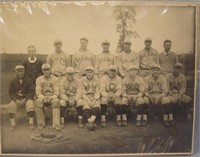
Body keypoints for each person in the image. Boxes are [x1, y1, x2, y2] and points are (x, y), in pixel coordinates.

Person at [8, 65, 35, 131]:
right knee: (11, 105)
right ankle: (12, 124)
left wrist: (25, 99)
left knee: (30, 104)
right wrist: (15, 100)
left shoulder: (28, 80)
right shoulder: (13, 81)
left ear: (24, 71)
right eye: (18, 71)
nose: (20, 73)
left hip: (27, 98)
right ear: (16, 72)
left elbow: (32, 92)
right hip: (17, 99)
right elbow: (10, 93)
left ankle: (31, 122)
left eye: (22, 71)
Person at [35, 64, 60, 131]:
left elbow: (57, 92)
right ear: (42, 70)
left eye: (48, 69)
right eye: (44, 70)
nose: (46, 71)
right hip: (43, 96)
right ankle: (41, 124)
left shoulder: (55, 79)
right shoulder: (39, 79)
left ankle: (56, 124)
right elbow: (38, 92)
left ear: (50, 70)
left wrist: (51, 98)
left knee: (56, 103)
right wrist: (43, 98)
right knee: (38, 103)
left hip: (52, 96)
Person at [81, 66, 100, 131]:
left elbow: (98, 92)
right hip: (85, 96)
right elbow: (82, 92)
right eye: (88, 72)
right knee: (86, 106)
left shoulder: (97, 80)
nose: (89, 74)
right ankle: (91, 122)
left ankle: (90, 122)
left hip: (94, 96)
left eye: (91, 72)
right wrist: (88, 101)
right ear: (85, 73)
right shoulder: (82, 80)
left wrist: (94, 100)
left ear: (93, 73)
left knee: (96, 105)